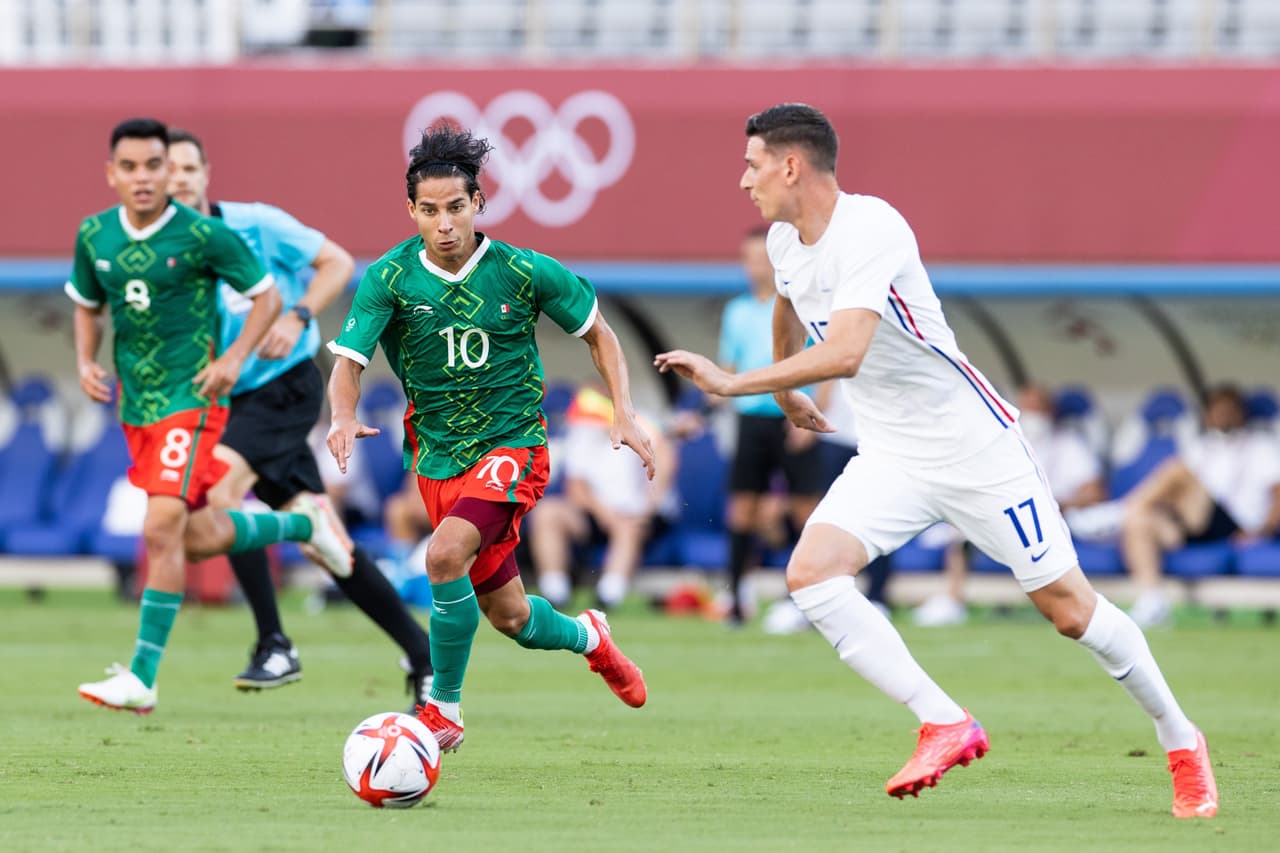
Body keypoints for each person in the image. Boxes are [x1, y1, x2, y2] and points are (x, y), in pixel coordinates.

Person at [654, 103, 1217, 818]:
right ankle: (944, 720)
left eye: (752, 163)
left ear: (791, 165)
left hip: (975, 448)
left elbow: (850, 349)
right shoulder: (784, 241)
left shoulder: (874, 227)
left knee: (1070, 610)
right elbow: (790, 306)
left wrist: (738, 381)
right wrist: (788, 383)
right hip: (891, 455)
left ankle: (1179, 737)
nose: (743, 180)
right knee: (809, 574)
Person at [325, 123, 655, 753]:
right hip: (437, 459)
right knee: (513, 619)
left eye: (456, 208)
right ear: (412, 212)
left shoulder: (524, 271)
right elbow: (349, 362)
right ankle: (592, 637)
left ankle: (441, 708)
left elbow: (599, 333)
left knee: (443, 556)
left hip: (513, 447)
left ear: (479, 203)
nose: (444, 223)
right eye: (430, 211)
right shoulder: (390, 279)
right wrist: (343, 415)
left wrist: (623, 408)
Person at [70, 118, 352, 714]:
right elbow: (88, 303)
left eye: (155, 166)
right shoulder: (94, 236)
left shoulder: (202, 235)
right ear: (111, 174)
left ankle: (143, 676)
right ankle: (305, 526)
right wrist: (84, 360)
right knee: (194, 537)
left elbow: (268, 297)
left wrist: (232, 358)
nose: (145, 177)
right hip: (139, 408)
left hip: (193, 403)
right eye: (132, 167)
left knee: (158, 526)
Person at [166, 129, 436, 702]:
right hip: (230, 405)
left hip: (284, 389)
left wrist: (296, 315)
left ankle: (273, 643)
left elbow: (336, 262)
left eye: (189, 168)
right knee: (328, 544)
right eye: (168, 170)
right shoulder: (169, 257)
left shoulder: (255, 224)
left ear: (205, 173)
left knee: (214, 495)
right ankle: (423, 653)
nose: (179, 179)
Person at [913, 384, 1108, 627]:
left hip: (1056, 515)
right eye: (1024, 407)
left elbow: (1094, 493)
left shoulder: (1067, 444)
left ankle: (1066, 603)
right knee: (963, 529)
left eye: (1035, 408)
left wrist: (1055, 503)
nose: (1029, 415)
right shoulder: (1006, 441)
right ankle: (953, 600)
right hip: (1011, 511)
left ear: (1049, 412)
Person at [718, 227, 826, 624]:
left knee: (804, 511)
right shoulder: (736, 311)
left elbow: (825, 362)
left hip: (793, 416)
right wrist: (703, 401)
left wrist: (810, 414)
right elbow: (729, 370)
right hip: (751, 418)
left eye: (759, 257)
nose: (753, 266)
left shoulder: (799, 304)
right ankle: (735, 601)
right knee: (742, 510)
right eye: (747, 258)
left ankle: (804, 597)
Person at [1122, 384, 1280, 628]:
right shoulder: (1201, 446)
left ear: (1241, 414)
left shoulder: (1261, 446)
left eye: (1228, 410)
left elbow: (1277, 494)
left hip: (1234, 523)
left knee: (1177, 470)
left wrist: (1262, 532)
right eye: (1216, 410)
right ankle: (1153, 602)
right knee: (1137, 520)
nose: (1222, 416)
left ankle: (1116, 511)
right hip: (1193, 522)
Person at [529, 384, 679, 610]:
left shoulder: (641, 422)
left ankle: (608, 596)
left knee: (628, 526)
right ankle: (555, 592)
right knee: (547, 513)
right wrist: (604, 514)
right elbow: (576, 487)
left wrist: (650, 502)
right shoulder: (581, 431)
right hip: (595, 514)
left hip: (637, 514)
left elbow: (665, 456)